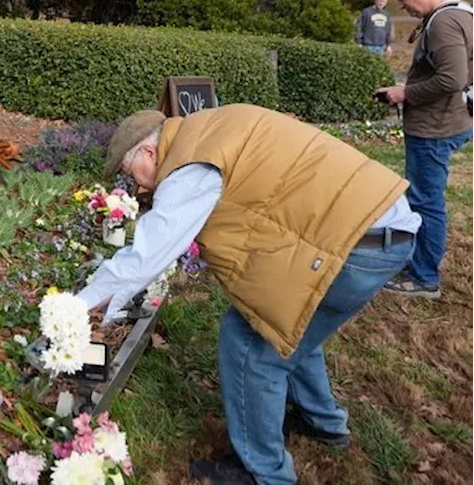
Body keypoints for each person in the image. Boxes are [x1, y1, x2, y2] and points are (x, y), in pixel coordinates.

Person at [82, 104, 419, 485]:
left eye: (133, 175)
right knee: (289, 317)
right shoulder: (207, 130)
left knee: (249, 344)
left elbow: (147, 255)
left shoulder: (190, 166)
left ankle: (264, 472)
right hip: (379, 226)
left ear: (148, 152)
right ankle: (323, 421)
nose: (140, 187)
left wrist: (78, 311)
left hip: (357, 246)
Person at [376, 0, 474, 299]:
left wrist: (405, 92)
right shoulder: (459, 14)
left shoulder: (445, 22)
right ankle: (416, 263)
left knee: (425, 202)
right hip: (447, 120)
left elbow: (452, 79)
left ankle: (423, 278)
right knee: (422, 198)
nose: (401, 6)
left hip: (435, 127)